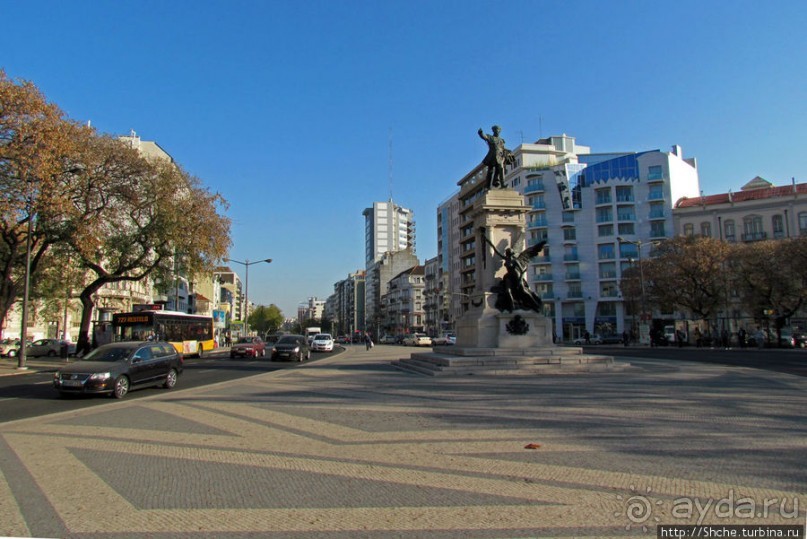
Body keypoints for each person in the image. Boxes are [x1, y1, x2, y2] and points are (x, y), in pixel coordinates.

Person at [478, 125, 511, 190]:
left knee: (501, 169)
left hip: (500, 156)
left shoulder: (501, 140)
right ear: (493, 130)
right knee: (490, 171)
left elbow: (503, 148)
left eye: (498, 130)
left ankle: (503, 184)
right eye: (496, 130)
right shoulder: (490, 137)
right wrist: (481, 133)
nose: (497, 131)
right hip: (492, 155)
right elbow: (484, 137)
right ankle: (488, 186)